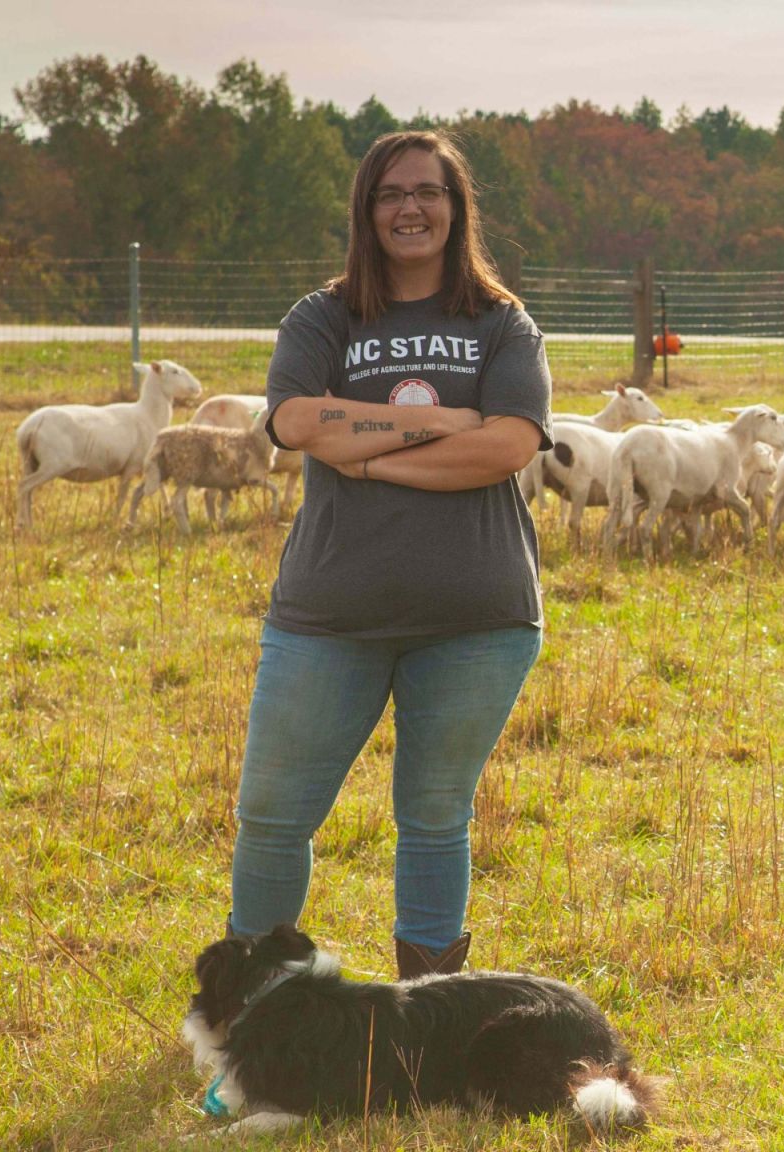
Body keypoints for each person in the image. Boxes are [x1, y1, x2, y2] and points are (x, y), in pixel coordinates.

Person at [227, 130, 552, 978]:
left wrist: (366, 453)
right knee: (272, 814)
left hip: (476, 618)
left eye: (428, 191)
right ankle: (250, 1002)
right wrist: (446, 420)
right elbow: (296, 423)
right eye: (391, 194)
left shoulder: (501, 323)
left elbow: (509, 446)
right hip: (329, 614)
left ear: (456, 207)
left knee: (436, 814)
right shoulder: (323, 316)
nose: (410, 208)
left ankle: (430, 1008)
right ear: (367, 212)